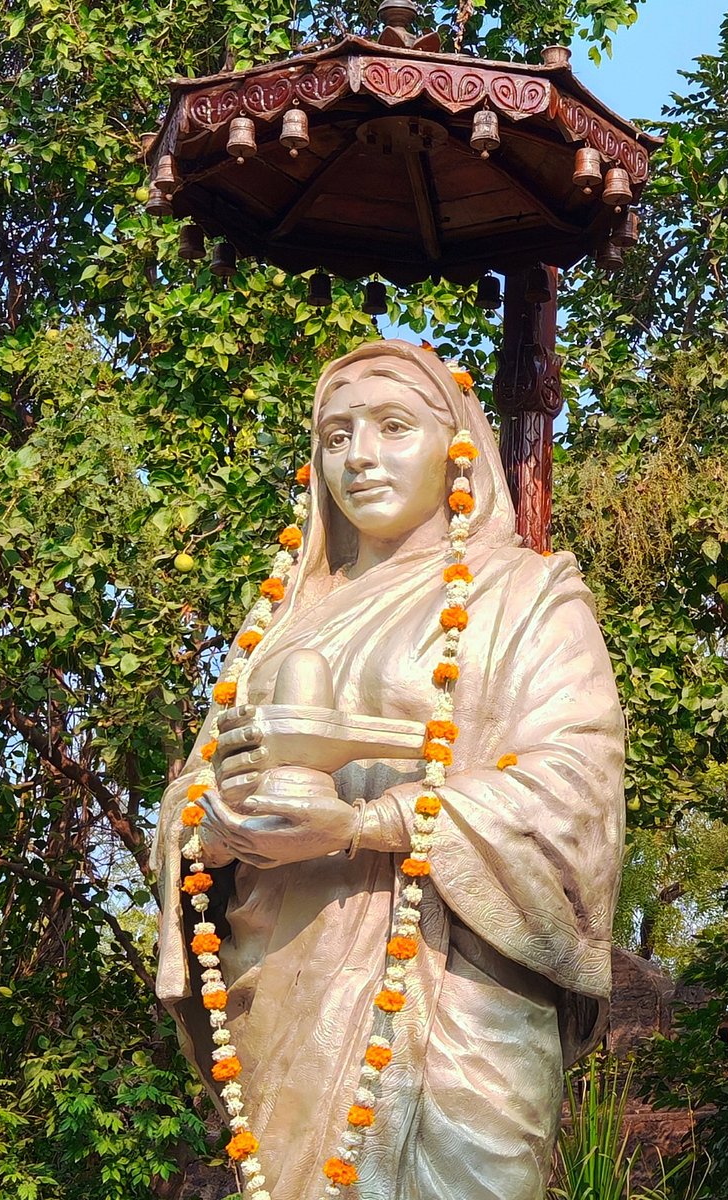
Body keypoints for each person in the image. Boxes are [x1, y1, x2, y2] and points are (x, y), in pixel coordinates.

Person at [151, 339, 625, 1200]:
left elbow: (576, 789)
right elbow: (193, 788)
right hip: (292, 980)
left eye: (392, 426)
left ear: (457, 447)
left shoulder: (525, 596)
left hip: (462, 998)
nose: (358, 457)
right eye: (335, 437)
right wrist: (215, 827)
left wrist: (366, 825)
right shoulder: (281, 627)